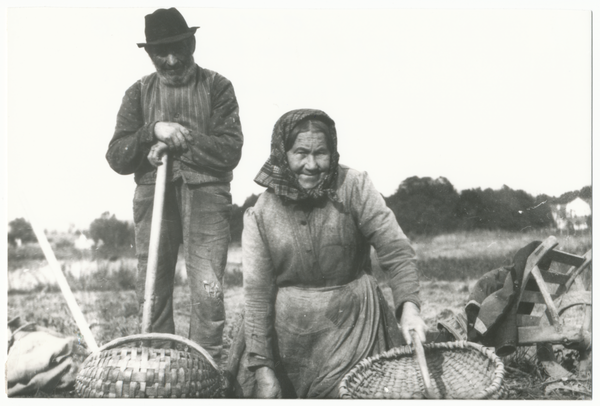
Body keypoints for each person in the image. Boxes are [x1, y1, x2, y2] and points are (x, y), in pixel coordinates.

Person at [227, 109, 426, 398]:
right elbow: (257, 294)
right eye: (300, 153)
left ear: (333, 153)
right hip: (289, 330)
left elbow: (395, 248)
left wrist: (409, 308)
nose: (311, 165)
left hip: (354, 321)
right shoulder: (262, 213)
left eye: (321, 153)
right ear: (282, 154)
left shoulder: (354, 186)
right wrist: (264, 370)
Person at [105, 8, 243, 363]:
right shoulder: (137, 92)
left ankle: (206, 366)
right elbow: (117, 157)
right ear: (149, 54)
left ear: (191, 43)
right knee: (152, 286)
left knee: (208, 288)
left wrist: (178, 139)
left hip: (207, 194)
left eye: (178, 48)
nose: (170, 60)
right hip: (153, 194)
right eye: (159, 53)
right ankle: (159, 364)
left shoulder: (217, 86)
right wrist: (152, 130)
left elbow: (229, 151)